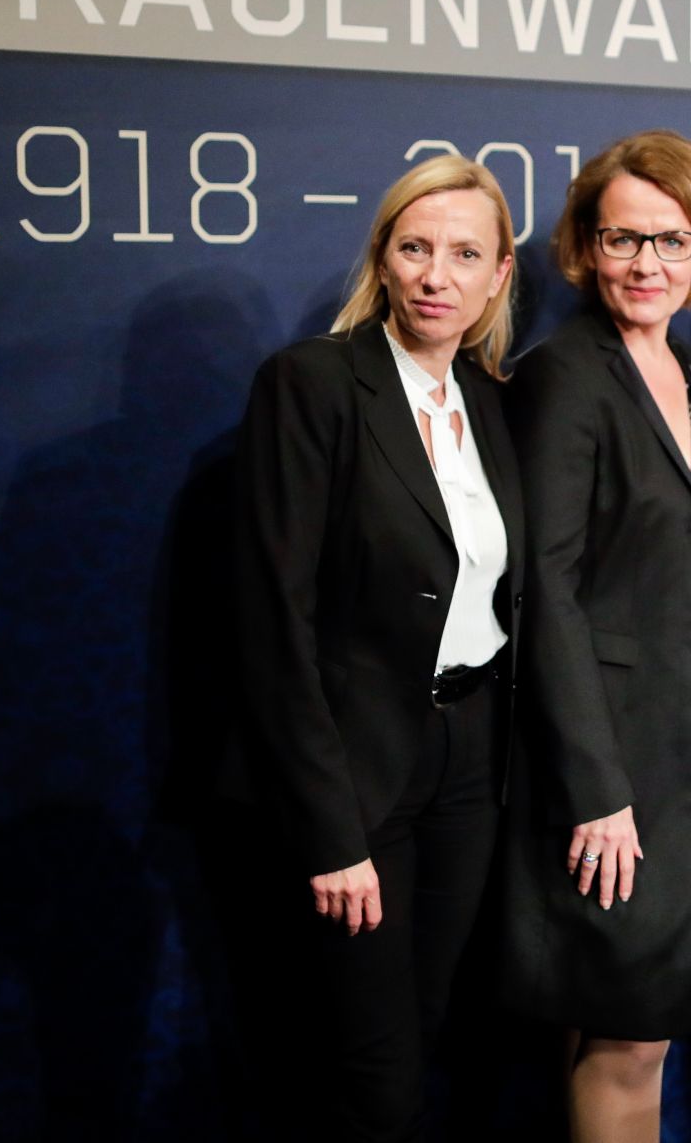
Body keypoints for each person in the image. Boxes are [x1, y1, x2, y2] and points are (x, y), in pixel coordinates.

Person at [230, 156, 523, 1141]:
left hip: (470, 767)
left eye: (464, 254)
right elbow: (273, 623)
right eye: (415, 248)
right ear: (383, 259)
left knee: (424, 1028)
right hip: (357, 772)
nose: (437, 275)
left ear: (499, 273)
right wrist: (330, 829)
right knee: (374, 1069)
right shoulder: (313, 383)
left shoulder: (490, 401)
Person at [502, 130, 691, 1143]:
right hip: (612, 768)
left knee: (617, 1027)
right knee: (628, 1038)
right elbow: (544, 588)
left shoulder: (684, 367)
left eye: (671, 240)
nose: (647, 263)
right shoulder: (565, 374)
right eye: (623, 239)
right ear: (585, 246)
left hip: (684, 756)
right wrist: (596, 788)